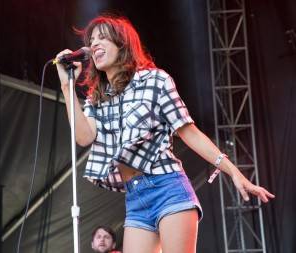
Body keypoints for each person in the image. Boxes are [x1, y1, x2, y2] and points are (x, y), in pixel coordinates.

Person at [55, 14, 275, 253]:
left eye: (102, 37)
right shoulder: (97, 98)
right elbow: (84, 137)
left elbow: (189, 132)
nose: (94, 44)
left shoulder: (155, 81)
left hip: (167, 186)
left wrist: (233, 172)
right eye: (91, 40)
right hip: (135, 197)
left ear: (122, 43)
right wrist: (67, 86)